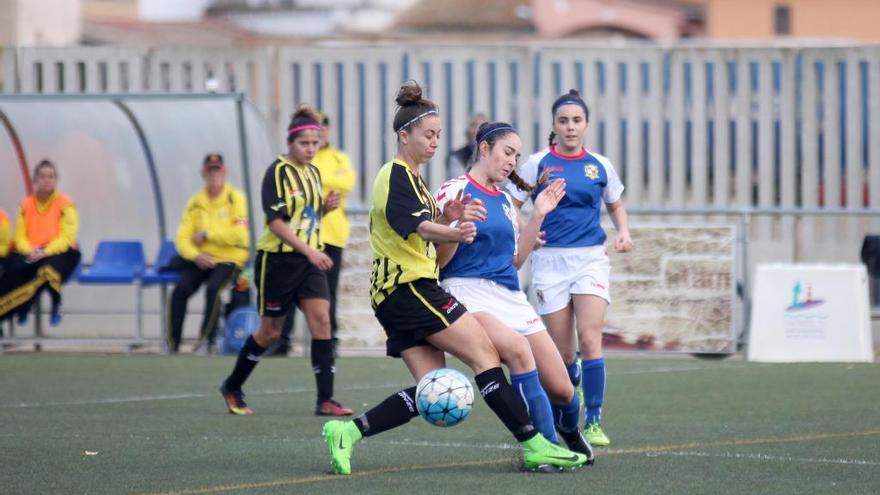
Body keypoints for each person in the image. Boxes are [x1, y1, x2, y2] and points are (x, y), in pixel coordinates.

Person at [321, 80, 588, 476]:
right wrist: (454, 228)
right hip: (411, 288)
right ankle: (535, 446)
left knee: (434, 389)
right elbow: (419, 230)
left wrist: (448, 220)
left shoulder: (418, 183)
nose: (434, 142)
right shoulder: (394, 174)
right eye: (428, 135)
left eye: (438, 136)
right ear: (404, 135)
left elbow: (432, 229)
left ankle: (348, 432)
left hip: (395, 296)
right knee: (488, 355)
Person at [434, 121, 592, 460]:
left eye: (517, 156)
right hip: (467, 293)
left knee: (563, 389)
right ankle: (545, 449)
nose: (512, 161)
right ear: (484, 148)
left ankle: (569, 431)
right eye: (507, 152)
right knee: (518, 352)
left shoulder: (506, 201)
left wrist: (538, 214)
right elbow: (437, 260)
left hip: (510, 296)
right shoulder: (453, 190)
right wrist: (455, 227)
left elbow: (516, 261)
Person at [507, 89, 633, 447]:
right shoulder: (537, 163)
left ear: (587, 125)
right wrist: (528, 233)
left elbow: (616, 204)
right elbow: (512, 203)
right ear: (554, 125)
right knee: (563, 354)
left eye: (577, 120)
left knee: (591, 339)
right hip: (549, 263)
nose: (570, 127)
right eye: (563, 121)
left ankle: (593, 421)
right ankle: (569, 398)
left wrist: (623, 232)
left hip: (591, 258)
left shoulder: (600, 165)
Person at [218, 105, 352, 417]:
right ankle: (233, 386)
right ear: (290, 143)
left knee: (322, 321)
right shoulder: (277, 172)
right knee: (270, 333)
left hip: (309, 261)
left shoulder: (314, 173)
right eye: (304, 143)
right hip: (278, 262)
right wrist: (310, 251)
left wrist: (325, 210)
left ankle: (325, 400)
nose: (310, 149)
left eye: (314, 143)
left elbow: (304, 217)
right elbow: (276, 222)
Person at [275, 111, 356, 355]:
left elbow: (346, 184)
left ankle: (328, 341)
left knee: (327, 292)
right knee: (288, 289)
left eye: (322, 128)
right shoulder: (295, 160)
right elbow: (298, 189)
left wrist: (320, 182)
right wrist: (326, 184)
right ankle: (282, 340)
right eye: (313, 130)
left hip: (331, 233)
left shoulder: (339, 158)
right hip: (302, 235)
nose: (318, 134)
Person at [166, 153, 249, 355]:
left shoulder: (235, 198)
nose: (214, 175)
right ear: (203, 173)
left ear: (225, 171)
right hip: (202, 259)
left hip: (229, 259)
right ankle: (172, 343)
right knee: (180, 290)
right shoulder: (196, 202)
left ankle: (205, 341)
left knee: (214, 289)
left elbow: (241, 236)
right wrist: (196, 256)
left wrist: (207, 235)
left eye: (217, 170)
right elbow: (182, 239)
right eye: (210, 170)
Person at [0, 160, 81, 325]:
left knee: (47, 271)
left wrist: (45, 251)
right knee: (12, 267)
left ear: (56, 180)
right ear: (35, 180)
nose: (47, 180)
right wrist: (29, 250)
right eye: (42, 176)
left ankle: (49, 303)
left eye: (51, 176)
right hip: (32, 252)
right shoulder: (26, 204)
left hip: (60, 252)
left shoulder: (66, 204)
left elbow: (67, 237)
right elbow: (20, 236)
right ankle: (22, 307)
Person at [446, 112, 487, 178]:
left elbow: (505, 183)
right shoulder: (457, 156)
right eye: (473, 125)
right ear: (468, 130)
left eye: (482, 127)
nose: (477, 130)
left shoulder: (497, 156)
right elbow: (459, 183)